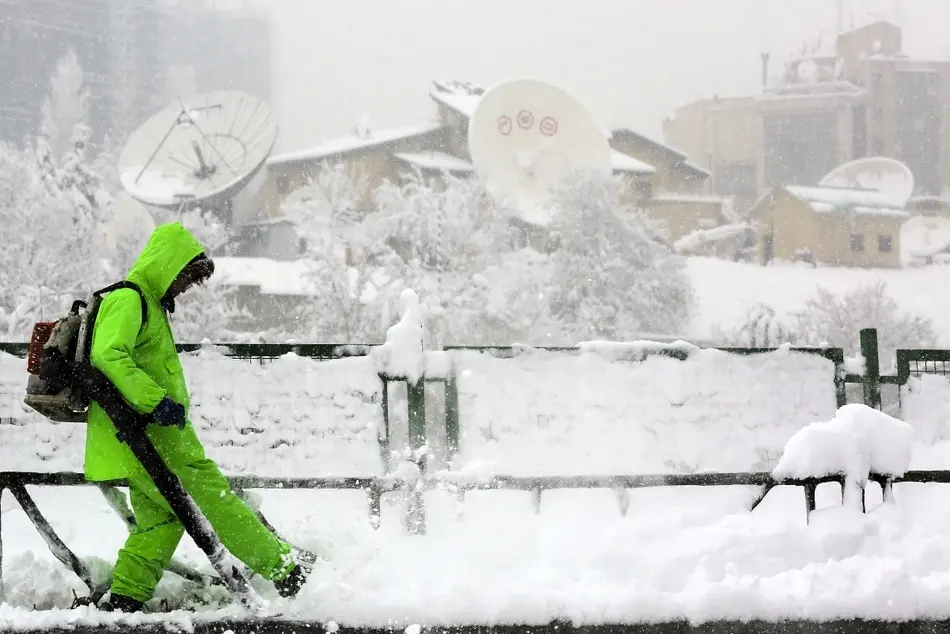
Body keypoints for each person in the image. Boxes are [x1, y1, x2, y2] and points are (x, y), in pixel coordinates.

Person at [84, 222, 309, 612]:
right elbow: (108, 354)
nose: (186, 286)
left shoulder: (148, 305)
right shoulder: (130, 299)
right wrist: (155, 402)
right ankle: (288, 571)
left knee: (159, 523)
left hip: (146, 440)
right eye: (185, 276)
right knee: (215, 501)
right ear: (166, 264)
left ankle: (124, 599)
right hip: (151, 438)